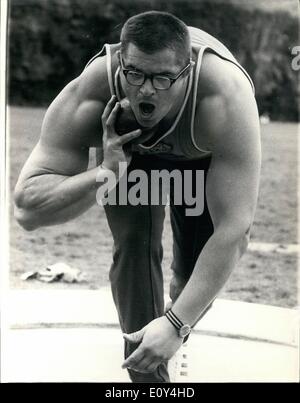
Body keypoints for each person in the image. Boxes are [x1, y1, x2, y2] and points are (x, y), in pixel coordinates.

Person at [14, 11, 261, 383]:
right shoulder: (97, 87)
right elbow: (28, 210)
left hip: (201, 154)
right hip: (129, 150)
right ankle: (148, 385)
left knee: (191, 280)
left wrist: (177, 323)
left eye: (162, 78)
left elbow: (234, 230)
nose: (146, 90)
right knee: (133, 247)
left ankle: (170, 326)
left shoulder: (224, 96)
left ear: (188, 72)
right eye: (135, 74)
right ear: (121, 64)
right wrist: (105, 174)